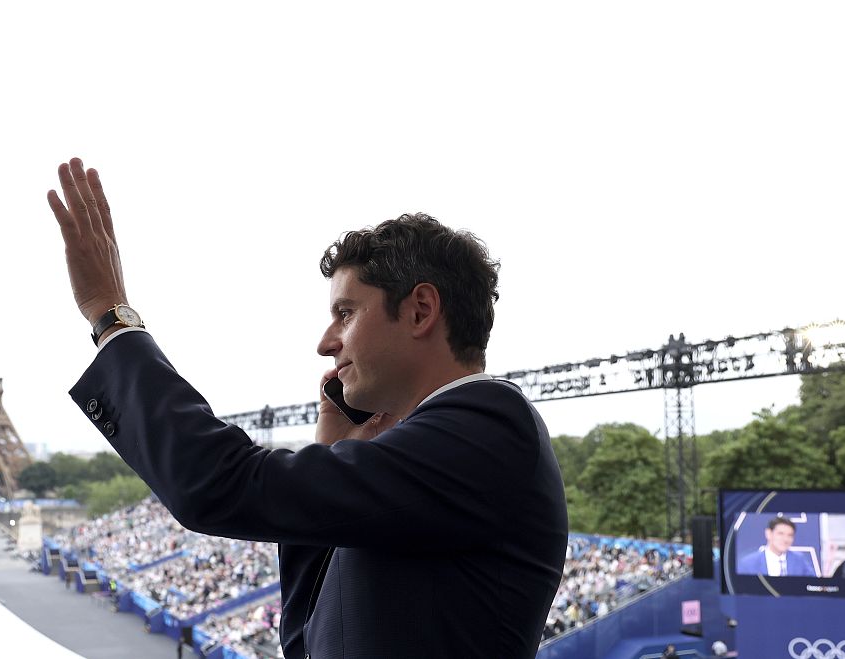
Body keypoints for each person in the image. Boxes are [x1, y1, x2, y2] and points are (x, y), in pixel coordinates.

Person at [45, 158, 568, 658]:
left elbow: (219, 483)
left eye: (345, 313)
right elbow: (308, 643)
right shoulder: (442, 452)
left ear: (420, 311)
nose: (325, 342)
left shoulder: (490, 428)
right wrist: (332, 448)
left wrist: (111, 318)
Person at [736, 517, 816, 576]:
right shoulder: (748, 563)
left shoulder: (799, 560)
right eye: (780, 534)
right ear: (768, 534)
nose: (785, 539)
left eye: (790, 535)